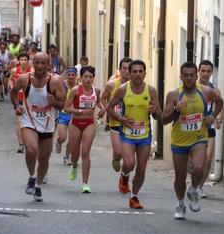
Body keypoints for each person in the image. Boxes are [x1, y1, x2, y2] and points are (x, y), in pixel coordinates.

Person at [161, 61, 223, 220]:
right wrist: (176, 110)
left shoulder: (206, 92)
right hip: (179, 141)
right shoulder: (174, 94)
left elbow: (220, 102)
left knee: (198, 168)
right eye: (186, 75)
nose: (189, 78)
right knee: (180, 177)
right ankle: (181, 204)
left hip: (199, 138)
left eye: (192, 75)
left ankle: (194, 190)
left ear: (196, 77)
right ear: (181, 77)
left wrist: (213, 116)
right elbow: (163, 120)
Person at [106, 59, 162, 209]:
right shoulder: (123, 89)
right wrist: (119, 119)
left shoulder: (151, 90)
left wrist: (154, 112)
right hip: (127, 134)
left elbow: (159, 115)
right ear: (129, 74)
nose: (137, 74)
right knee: (130, 164)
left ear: (145, 73)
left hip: (144, 135)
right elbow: (109, 107)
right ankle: (124, 176)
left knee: (141, 168)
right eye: (134, 72)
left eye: (140, 71)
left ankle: (134, 197)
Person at [10, 52, 65, 202]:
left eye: (43, 63)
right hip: (29, 121)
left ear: (49, 65)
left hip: (47, 124)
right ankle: (32, 176)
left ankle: (38, 186)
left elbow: (62, 104)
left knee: (44, 158)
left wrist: (54, 102)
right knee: (32, 149)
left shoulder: (55, 81)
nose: (40, 66)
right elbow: (13, 92)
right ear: (33, 63)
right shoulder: (24, 79)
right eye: (37, 63)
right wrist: (16, 105)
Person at [64, 66, 105, 193]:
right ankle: (74, 166)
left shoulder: (96, 90)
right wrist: (81, 110)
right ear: (80, 78)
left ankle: (85, 183)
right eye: (85, 77)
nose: (88, 79)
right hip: (76, 123)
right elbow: (66, 108)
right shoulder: (75, 90)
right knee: (75, 156)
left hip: (89, 123)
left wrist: (102, 108)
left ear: (93, 78)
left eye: (90, 77)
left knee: (85, 152)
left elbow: (98, 102)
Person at [195, 60, 224, 198]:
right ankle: (195, 180)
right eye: (203, 71)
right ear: (198, 71)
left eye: (208, 71)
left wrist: (218, 118)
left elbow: (221, 108)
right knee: (195, 160)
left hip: (208, 127)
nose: (205, 74)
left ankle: (199, 187)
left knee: (208, 159)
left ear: (212, 72)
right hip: (193, 127)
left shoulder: (214, 89)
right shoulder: (192, 87)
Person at [101, 57, 132, 173]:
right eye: (124, 68)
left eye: (129, 68)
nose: (127, 71)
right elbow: (103, 98)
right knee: (119, 153)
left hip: (130, 122)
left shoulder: (137, 86)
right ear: (120, 69)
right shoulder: (112, 85)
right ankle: (116, 158)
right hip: (115, 121)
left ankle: (124, 178)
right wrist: (107, 110)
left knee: (129, 158)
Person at [9, 52, 34, 153]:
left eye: (25, 60)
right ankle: (20, 144)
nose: (23, 62)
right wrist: (12, 88)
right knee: (19, 122)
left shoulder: (32, 71)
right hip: (18, 98)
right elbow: (10, 80)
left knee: (30, 122)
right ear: (18, 61)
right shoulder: (15, 70)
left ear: (28, 61)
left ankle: (30, 142)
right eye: (21, 60)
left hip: (28, 99)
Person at [55, 67, 79, 166]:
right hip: (63, 113)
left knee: (72, 138)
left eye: (73, 75)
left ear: (76, 76)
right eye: (69, 75)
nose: (71, 77)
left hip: (74, 114)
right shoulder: (62, 84)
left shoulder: (79, 86)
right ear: (66, 75)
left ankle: (67, 156)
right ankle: (59, 141)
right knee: (62, 137)